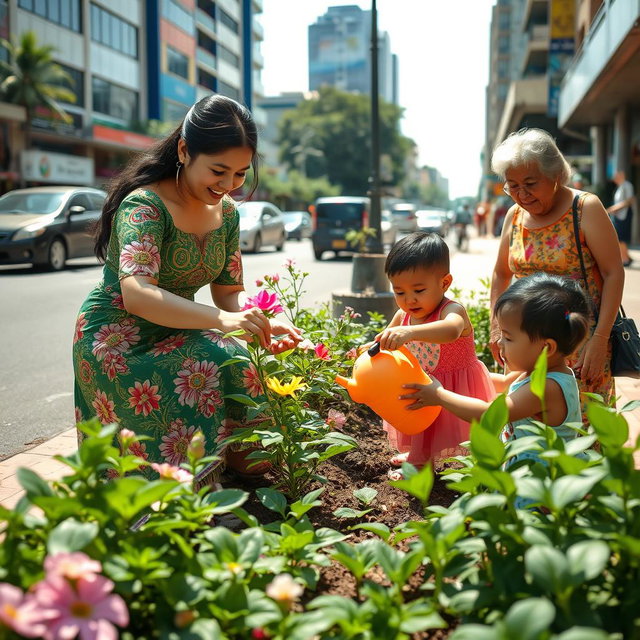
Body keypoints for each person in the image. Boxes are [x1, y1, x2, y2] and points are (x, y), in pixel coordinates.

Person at [72, 95, 302, 481]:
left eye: (241, 174)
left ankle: (245, 485)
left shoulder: (226, 212)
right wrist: (225, 321)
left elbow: (229, 292)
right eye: (218, 170)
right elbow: (138, 294)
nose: (229, 185)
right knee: (207, 365)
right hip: (115, 338)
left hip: (179, 328)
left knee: (237, 365)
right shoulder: (144, 206)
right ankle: (180, 498)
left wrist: (257, 320)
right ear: (184, 150)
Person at [489, 128, 624, 413]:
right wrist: (496, 328)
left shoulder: (584, 208)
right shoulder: (513, 216)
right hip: (525, 348)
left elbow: (614, 272)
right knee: (525, 424)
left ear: (556, 176)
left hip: (579, 344)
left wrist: (600, 339)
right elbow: (501, 274)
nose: (521, 194)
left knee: (582, 429)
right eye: (512, 185)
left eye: (530, 183)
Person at [401, 274, 589, 474]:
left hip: (542, 483)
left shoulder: (547, 388)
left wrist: (439, 395)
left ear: (546, 348)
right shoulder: (538, 372)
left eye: (507, 337)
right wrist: (454, 375)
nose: (499, 343)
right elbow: (504, 382)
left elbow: (489, 414)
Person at [373, 232, 494, 478]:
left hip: (454, 387)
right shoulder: (403, 316)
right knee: (420, 424)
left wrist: (409, 332)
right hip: (424, 382)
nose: (409, 300)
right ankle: (417, 456)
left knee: (456, 432)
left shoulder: (451, 310)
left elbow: (450, 331)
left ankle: (420, 467)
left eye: (418, 289)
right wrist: (371, 348)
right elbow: (387, 337)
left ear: (444, 282)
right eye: (399, 292)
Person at [607, 170, 636, 267]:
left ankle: (626, 259)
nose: (614, 178)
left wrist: (612, 209)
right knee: (619, 237)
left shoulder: (627, 185)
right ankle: (627, 257)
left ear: (621, 175)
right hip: (619, 215)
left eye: (616, 176)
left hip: (624, 215)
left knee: (620, 237)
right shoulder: (620, 187)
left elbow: (629, 201)